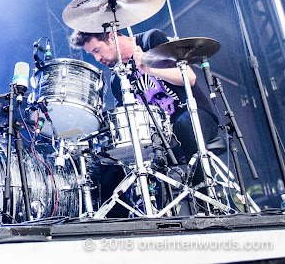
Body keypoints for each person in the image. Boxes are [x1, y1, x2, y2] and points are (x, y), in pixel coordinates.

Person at [69, 29, 225, 213]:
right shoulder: (116, 80)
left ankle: (207, 205)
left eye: (97, 50)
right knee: (111, 166)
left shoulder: (151, 41)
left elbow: (189, 78)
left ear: (111, 36)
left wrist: (148, 67)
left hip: (194, 117)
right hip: (157, 138)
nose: (97, 58)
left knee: (185, 125)